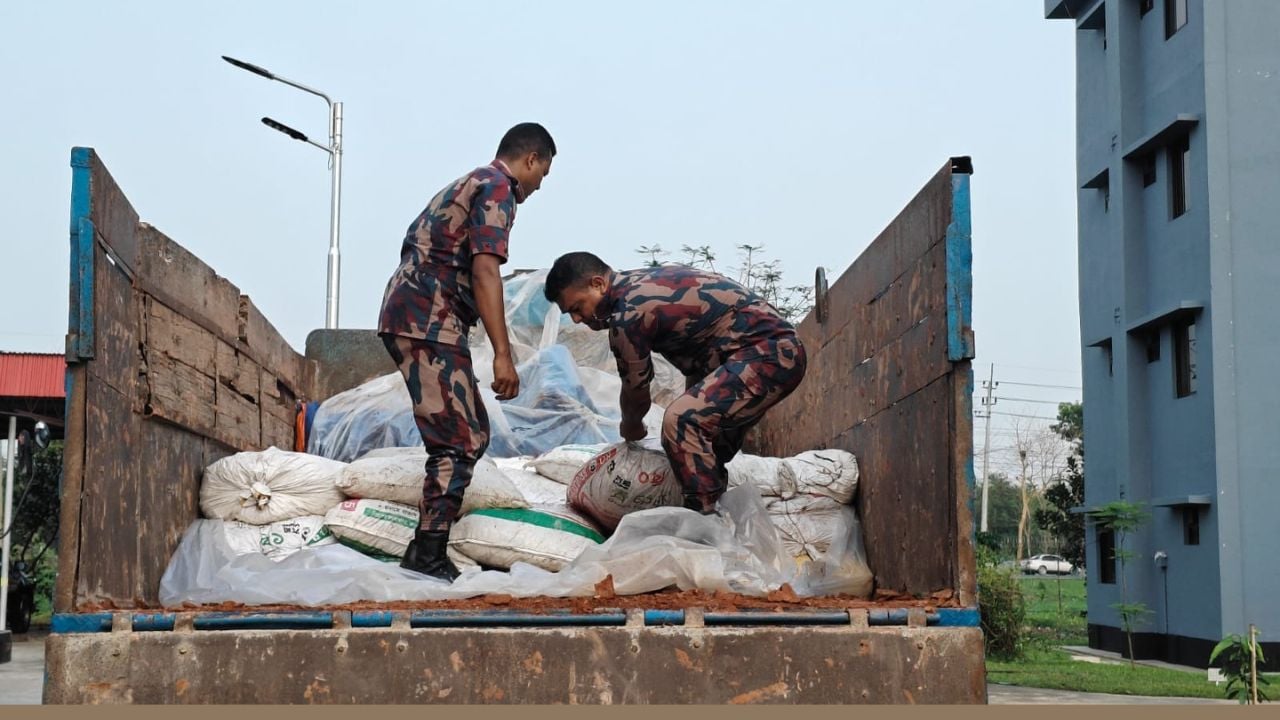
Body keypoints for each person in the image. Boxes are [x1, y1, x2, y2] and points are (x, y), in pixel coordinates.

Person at [378, 123, 556, 581]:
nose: (539, 186)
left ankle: (428, 546)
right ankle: (427, 554)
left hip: (420, 315)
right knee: (458, 440)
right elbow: (485, 272)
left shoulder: (472, 182)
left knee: (471, 431)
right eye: (543, 173)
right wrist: (502, 354)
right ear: (531, 160)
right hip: (427, 319)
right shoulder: (498, 188)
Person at [544, 252, 807, 515]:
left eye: (577, 308)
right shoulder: (640, 285)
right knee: (700, 447)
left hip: (770, 354)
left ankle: (705, 523)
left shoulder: (628, 312)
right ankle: (715, 510)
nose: (576, 319)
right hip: (760, 354)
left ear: (598, 284)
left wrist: (631, 428)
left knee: (682, 421)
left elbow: (636, 390)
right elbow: (702, 358)